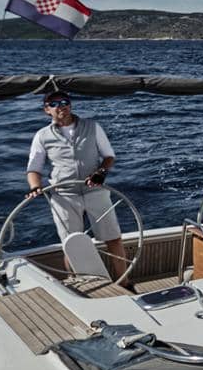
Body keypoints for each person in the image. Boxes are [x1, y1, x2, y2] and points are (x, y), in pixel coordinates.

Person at [25, 91, 128, 278]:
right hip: (64, 196)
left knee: (113, 239)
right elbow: (34, 169)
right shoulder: (42, 136)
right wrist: (35, 186)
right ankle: (75, 283)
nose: (61, 106)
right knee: (71, 244)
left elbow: (109, 156)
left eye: (65, 102)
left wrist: (101, 172)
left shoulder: (92, 127)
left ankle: (125, 281)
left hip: (95, 190)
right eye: (54, 103)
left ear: (70, 105)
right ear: (47, 110)